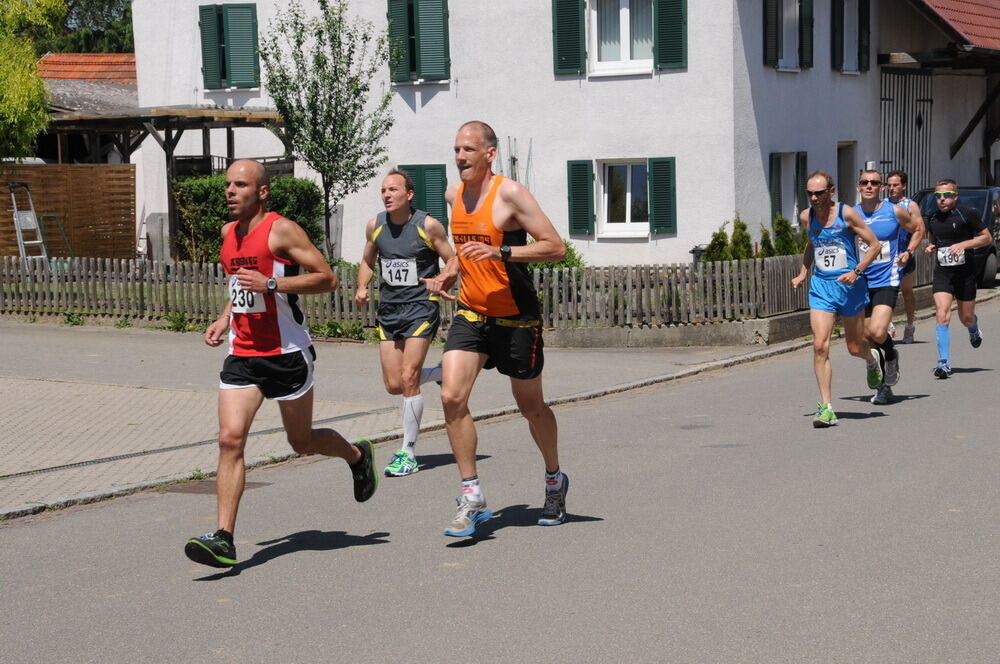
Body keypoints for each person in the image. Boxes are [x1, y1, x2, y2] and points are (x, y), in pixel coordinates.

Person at [184, 159, 378, 569]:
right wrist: (225, 317)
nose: (230, 191)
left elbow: (327, 278)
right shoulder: (227, 234)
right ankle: (223, 538)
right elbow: (239, 285)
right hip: (242, 353)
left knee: (301, 442)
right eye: (228, 185)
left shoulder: (281, 230)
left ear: (262, 192)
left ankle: (357, 457)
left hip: (287, 354)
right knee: (230, 439)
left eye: (240, 185)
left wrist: (273, 283)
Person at [428, 120, 567, 536]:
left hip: (517, 318)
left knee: (530, 407)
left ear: (489, 154)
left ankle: (554, 478)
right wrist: (451, 271)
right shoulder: (454, 195)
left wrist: (501, 250)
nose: (459, 157)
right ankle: (471, 496)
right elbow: (465, 252)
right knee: (452, 397)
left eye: (468, 150)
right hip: (472, 313)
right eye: (455, 150)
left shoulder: (510, 194)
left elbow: (556, 247)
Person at [354, 169, 457, 477]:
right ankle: (439, 373)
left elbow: (453, 260)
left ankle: (407, 452)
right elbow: (366, 261)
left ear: (409, 194)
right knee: (394, 384)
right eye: (383, 190)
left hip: (420, 308)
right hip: (390, 311)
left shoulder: (427, 225)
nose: (386, 194)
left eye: (393, 190)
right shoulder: (375, 225)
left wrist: (440, 280)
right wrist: (362, 287)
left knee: (410, 377)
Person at [791, 171, 884, 428]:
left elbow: (874, 245)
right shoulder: (807, 216)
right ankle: (826, 408)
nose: (813, 198)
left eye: (819, 193)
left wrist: (856, 271)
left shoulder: (847, 214)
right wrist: (802, 272)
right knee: (820, 345)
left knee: (854, 348)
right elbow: (812, 243)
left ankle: (870, 359)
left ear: (831, 191)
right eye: (809, 193)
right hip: (822, 287)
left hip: (850, 287)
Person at [854, 170, 923, 405]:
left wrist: (908, 252)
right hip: (861, 282)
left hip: (887, 278)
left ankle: (891, 355)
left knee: (877, 330)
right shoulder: (852, 215)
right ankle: (883, 388)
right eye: (865, 182)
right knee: (868, 340)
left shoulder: (893, 211)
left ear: (881, 187)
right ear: (858, 187)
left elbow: (918, 229)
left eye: (874, 182)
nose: (870, 186)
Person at [923, 179, 992, 378]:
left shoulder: (967, 214)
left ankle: (973, 328)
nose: (941, 200)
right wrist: (932, 246)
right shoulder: (933, 217)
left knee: (965, 317)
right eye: (937, 196)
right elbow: (936, 239)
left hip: (965, 273)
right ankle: (943, 362)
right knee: (942, 313)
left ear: (955, 196)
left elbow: (986, 237)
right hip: (943, 272)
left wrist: (964, 245)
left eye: (946, 196)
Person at [885, 171, 925, 343]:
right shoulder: (883, 204)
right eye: (889, 185)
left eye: (895, 185)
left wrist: (909, 251)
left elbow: (920, 230)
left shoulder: (910, 205)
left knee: (907, 292)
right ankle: (888, 324)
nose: (892, 188)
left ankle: (909, 325)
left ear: (904, 186)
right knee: (886, 292)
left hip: (904, 254)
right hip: (886, 255)